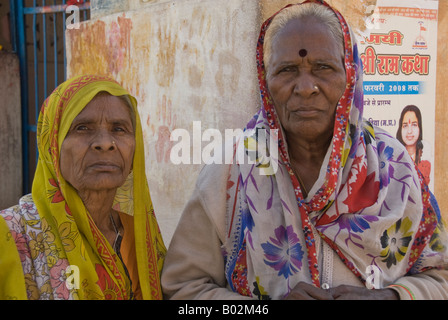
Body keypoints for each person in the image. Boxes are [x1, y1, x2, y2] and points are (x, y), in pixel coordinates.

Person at [161, 0, 448, 300]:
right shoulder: (230, 172)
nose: (306, 87)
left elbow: (441, 278)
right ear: (266, 81)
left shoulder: (396, 168)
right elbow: (183, 290)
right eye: (287, 70)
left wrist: (389, 297)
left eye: (323, 67)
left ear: (350, 75)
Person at [0, 74, 166, 300]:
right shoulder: (11, 237)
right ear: (53, 146)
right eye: (82, 128)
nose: (105, 143)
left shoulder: (140, 237)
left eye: (119, 129)